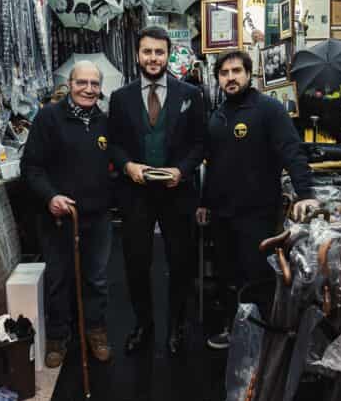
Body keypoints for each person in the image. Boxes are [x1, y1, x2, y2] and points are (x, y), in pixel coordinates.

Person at [198, 51, 319, 349]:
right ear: (218, 79)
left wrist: (306, 194)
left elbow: (292, 151)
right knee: (229, 277)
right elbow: (212, 165)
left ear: (248, 74)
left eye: (236, 71)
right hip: (222, 214)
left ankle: (263, 342)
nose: (230, 77)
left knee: (258, 278)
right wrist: (204, 202)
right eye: (224, 73)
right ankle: (234, 331)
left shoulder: (269, 109)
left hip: (257, 214)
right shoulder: (218, 116)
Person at [108, 26, 205, 356]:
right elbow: (115, 145)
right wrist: (127, 167)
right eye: (147, 52)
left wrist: (183, 170)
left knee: (180, 263)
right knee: (136, 263)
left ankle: (176, 325)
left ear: (168, 55)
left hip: (177, 192)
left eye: (159, 52)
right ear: (138, 55)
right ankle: (143, 324)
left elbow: (199, 143)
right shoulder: (120, 98)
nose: (153, 58)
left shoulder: (190, 95)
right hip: (135, 193)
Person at [21, 61, 113, 368]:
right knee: (59, 279)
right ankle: (59, 336)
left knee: (96, 279)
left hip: (97, 217)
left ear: (100, 89)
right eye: (81, 82)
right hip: (58, 217)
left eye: (94, 84)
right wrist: (50, 196)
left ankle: (95, 330)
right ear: (70, 85)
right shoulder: (49, 118)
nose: (88, 89)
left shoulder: (105, 121)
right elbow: (31, 167)